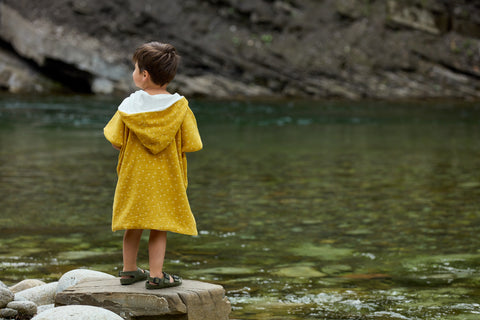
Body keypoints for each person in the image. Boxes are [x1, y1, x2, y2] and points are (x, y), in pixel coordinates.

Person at [103, 42, 203, 289]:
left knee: (134, 223)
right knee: (160, 225)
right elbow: (192, 143)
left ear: (144, 75)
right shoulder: (180, 107)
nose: (133, 72)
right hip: (166, 177)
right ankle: (156, 275)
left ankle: (128, 271)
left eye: (134, 68)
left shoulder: (129, 107)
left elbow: (116, 141)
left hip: (134, 177)